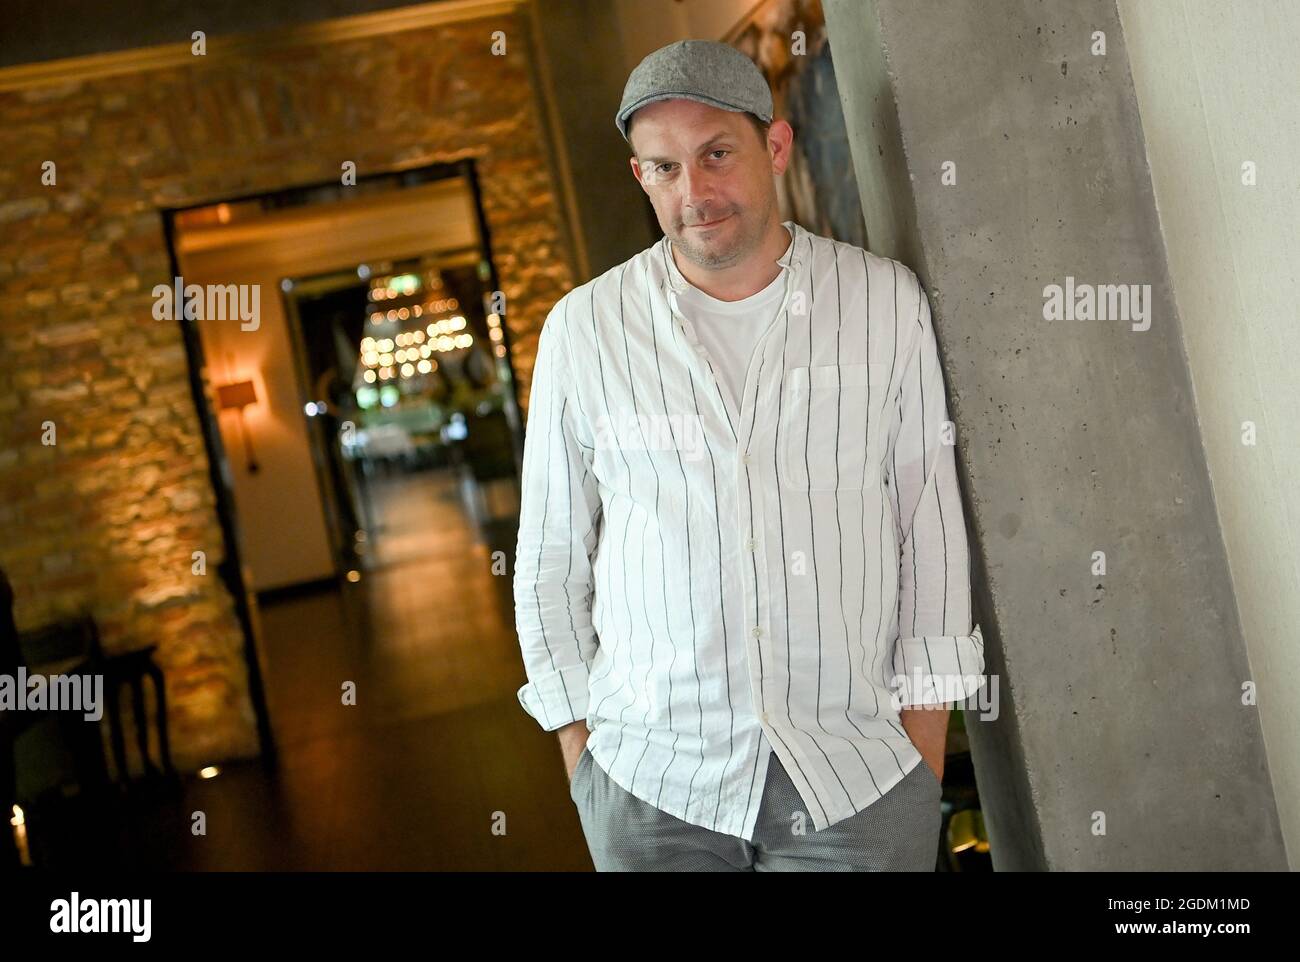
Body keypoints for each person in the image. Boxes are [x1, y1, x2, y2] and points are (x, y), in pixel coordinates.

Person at [513, 39, 986, 871]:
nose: (693, 193)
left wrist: (922, 754)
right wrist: (584, 758)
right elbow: (551, 559)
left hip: (858, 777)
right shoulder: (583, 332)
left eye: (716, 154)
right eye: (663, 169)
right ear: (640, 179)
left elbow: (931, 530)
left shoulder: (882, 304)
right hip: (651, 785)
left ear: (775, 146)